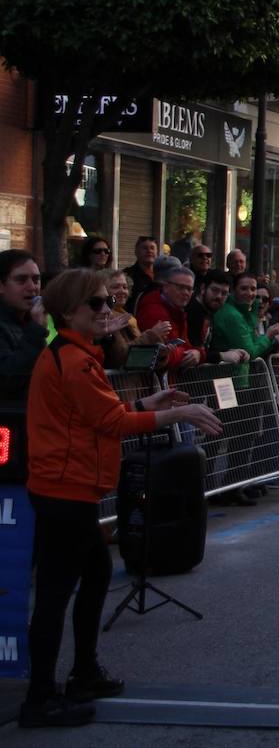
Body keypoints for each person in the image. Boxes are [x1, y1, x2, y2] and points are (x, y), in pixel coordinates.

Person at [22, 268, 222, 728]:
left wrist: (152, 404)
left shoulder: (80, 356)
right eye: (96, 304)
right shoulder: (72, 361)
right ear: (69, 310)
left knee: (92, 577)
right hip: (63, 488)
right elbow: (111, 423)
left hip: (73, 486)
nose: (106, 311)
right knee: (55, 594)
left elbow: (104, 413)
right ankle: (41, 695)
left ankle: (83, 671)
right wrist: (181, 412)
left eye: (106, 303)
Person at [134, 266, 204, 372]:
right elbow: (166, 351)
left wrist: (198, 353)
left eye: (189, 289)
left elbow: (184, 345)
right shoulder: (153, 311)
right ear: (166, 287)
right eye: (181, 287)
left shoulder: (176, 309)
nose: (186, 293)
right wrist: (194, 353)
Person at [99, 269, 171, 370]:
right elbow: (121, 357)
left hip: (137, 383)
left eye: (125, 287)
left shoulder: (129, 317)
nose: (122, 291)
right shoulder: (106, 317)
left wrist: (160, 354)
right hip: (120, 384)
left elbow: (138, 363)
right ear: (102, 291)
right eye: (115, 287)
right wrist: (152, 335)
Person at [1, 249, 46, 403]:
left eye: (36, 279)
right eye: (21, 280)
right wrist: (35, 331)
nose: (32, 287)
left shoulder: (30, 320)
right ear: (1, 286)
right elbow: (9, 378)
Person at [123, 235, 159, 307]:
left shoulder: (162, 275)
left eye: (152, 248)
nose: (149, 251)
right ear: (136, 252)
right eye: (144, 248)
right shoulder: (126, 275)